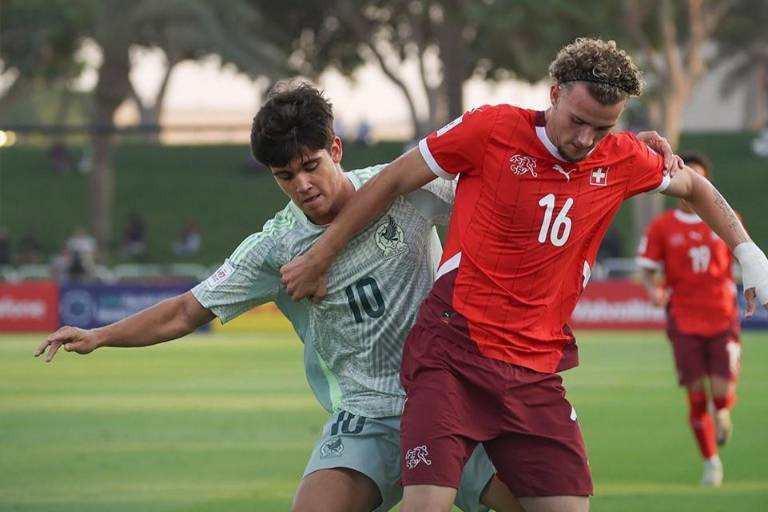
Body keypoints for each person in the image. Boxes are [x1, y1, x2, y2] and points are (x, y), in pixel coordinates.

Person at [279, 38, 768, 512]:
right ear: (554, 92)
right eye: (577, 121)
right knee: (428, 504)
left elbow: (695, 187)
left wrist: (748, 253)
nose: (584, 140)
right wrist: (322, 255)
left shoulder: (621, 157)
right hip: (452, 355)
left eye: (601, 128)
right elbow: (392, 180)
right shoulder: (490, 130)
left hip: (534, 372)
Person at [35, 82, 522, 512]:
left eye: (311, 166)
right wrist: (100, 335)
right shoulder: (275, 248)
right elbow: (187, 310)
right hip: (366, 414)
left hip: (448, 398)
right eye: (285, 176)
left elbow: (500, 202)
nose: (303, 185)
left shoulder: (402, 188)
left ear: (336, 148)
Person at [637, 153, 741, 487]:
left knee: (722, 395)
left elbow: (744, 255)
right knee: (697, 397)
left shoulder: (726, 217)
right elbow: (646, 269)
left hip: (723, 316)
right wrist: (653, 290)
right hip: (683, 319)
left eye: (698, 178)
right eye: (687, 177)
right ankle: (711, 462)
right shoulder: (661, 227)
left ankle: (723, 410)